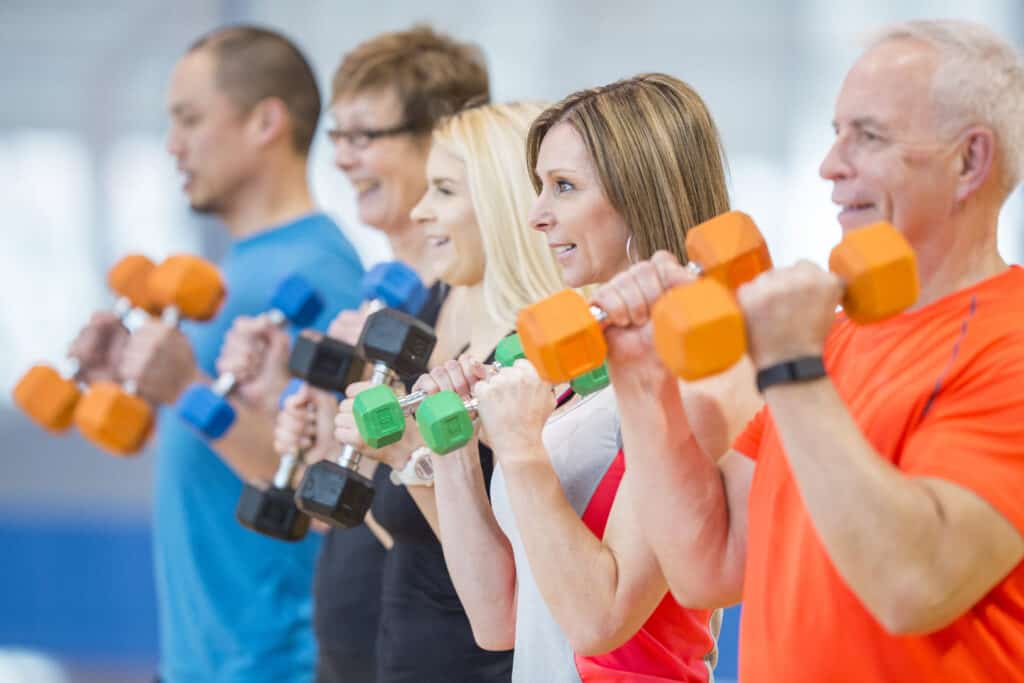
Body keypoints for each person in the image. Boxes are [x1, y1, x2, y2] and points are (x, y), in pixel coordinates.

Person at [600, 19, 1024, 682]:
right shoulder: (835, 336)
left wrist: (792, 366)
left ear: (969, 161)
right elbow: (708, 563)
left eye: (870, 136)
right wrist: (639, 378)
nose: (831, 166)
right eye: (835, 134)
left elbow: (912, 583)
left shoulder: (1011, 342)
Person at [420, 75, 761, 682]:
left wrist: (523, 451)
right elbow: (499, 618)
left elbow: (601, 618)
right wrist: (452, 448)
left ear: (639, 195)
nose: (536, 217)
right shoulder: (575, 370)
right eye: (539, 188)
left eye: (564, 188)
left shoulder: (696, 374)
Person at [74, 26, 365, 683]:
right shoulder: (241, 265)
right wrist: (133, 376)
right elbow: (226, 447)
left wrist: (186, 388)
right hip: (201, 661)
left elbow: (322, 488)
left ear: (266, 121)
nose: (173, 145)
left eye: (191, 119)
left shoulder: (316, 272)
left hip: (272, 664)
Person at [292, 26, 502, 683]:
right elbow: (363, 517)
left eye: (363, 136)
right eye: (337, 138)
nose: (344, 159)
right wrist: (320, 446)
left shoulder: (480, 323)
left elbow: (466, 547)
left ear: (440, 132)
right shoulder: (376, 306)